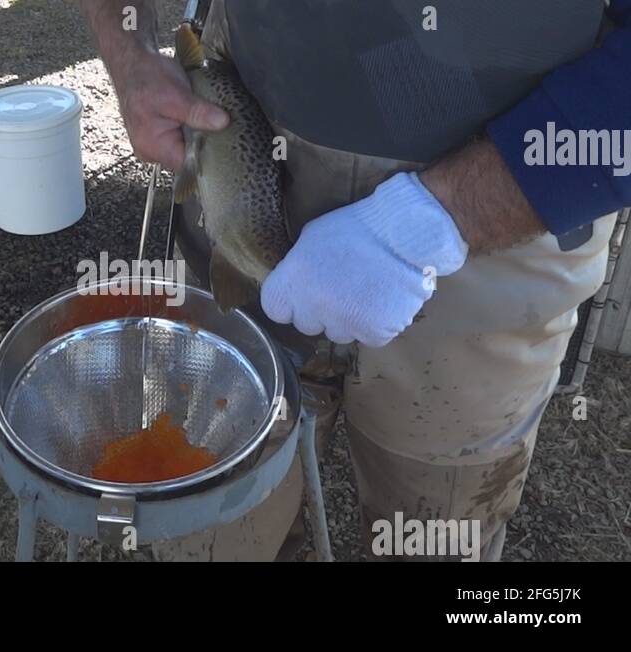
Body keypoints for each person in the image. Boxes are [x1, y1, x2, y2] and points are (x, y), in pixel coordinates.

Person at [79, 0, 631, 561]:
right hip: (238, 176)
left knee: (438, 533)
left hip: (506, 214)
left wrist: (438, 222)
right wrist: (130, 54)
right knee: (209, 526)